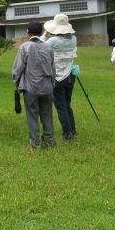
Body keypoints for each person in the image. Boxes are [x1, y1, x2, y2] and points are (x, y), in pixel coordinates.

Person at [12, 21, 56, 151]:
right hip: (47, 86)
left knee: (32, 114)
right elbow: (53, 68)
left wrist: (16, 80)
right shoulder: (48, 47)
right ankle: (49, 140)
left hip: (31, 87)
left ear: (28, 32)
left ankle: (35, 142)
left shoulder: (25, 47)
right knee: (47, 114)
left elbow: (18, 67)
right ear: (42, 32)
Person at [43, 13, 78, 141]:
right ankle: (72, 131)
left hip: (57, 77)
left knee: (61, 106)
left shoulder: (53, 40)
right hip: (70, 75)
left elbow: (41, 45)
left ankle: (67, 134)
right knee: (67, 105)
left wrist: (45, 33)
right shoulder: (73, 39)